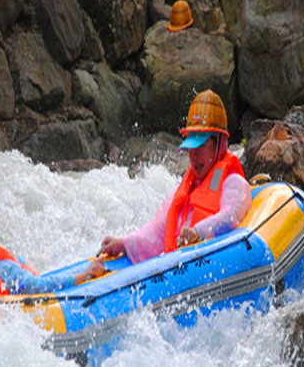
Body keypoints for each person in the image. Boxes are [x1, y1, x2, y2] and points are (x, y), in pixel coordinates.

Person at [100, 90, 251, 263]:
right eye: (191, 147)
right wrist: (125, 243)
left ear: (220, 144)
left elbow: (230, 216)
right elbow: (158, 230)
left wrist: (198, 232)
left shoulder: (234, 182)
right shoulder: (185, 191)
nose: (194, 156)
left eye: (201, 146)